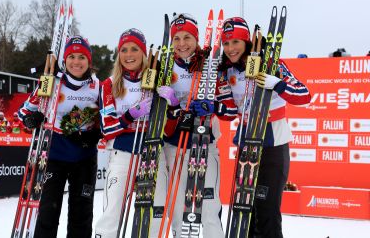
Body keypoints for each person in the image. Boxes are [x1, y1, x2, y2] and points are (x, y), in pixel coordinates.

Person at [218, 17, 311, 238]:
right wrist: (212, 105)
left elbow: (304, 95)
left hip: (273, 143)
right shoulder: (228, 71)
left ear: (247, 42)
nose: (230, 49)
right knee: (244, 208)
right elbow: (230, 112)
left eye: (235, 42)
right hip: (247, 142)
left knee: (267, 207)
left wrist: (277, 83)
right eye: (226, 43)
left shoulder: (272, 63)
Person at [157, 13, 237, 237]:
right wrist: (171, 105)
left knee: (210, 207)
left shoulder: (212, 65)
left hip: (204, 142)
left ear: (196, 38)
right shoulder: (164, 67)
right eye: (177, 39)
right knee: (179, 207)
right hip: (174, 145)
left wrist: (214, 107)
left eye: (187, 38)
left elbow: (230, 110)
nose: (182, 44)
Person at [19, 35, 101, 238]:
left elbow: (106, 118)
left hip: (84, 156)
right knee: (48, 211)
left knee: (81, 213)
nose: (76, 62)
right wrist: (32, 118)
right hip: (53, 155)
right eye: (71, 56)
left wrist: (95, 134)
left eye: (81, 57)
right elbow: (23, 112)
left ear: (88, 61)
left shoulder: (97, 86)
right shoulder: (51, 82)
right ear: (65, 60)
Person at [95, 28, 166, 238]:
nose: (129, 54)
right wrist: (130, 115)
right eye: (124, 50)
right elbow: (106, 128)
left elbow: (169, 122)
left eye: (134, 49)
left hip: (152, 152)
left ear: (143, 52)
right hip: (123, 154)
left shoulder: (156, 80)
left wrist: (169, 102)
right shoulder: (109, 84)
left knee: (153, 213)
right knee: (112, 213)